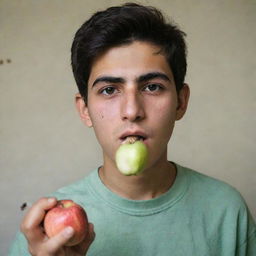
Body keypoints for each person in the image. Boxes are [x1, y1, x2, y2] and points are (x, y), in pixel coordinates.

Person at [9, 2, 256, 255]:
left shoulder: (226, 210)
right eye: (109, 90)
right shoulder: (44, 235)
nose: (132, 111)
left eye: (152, 87)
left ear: (181, 102)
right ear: (85, 110)